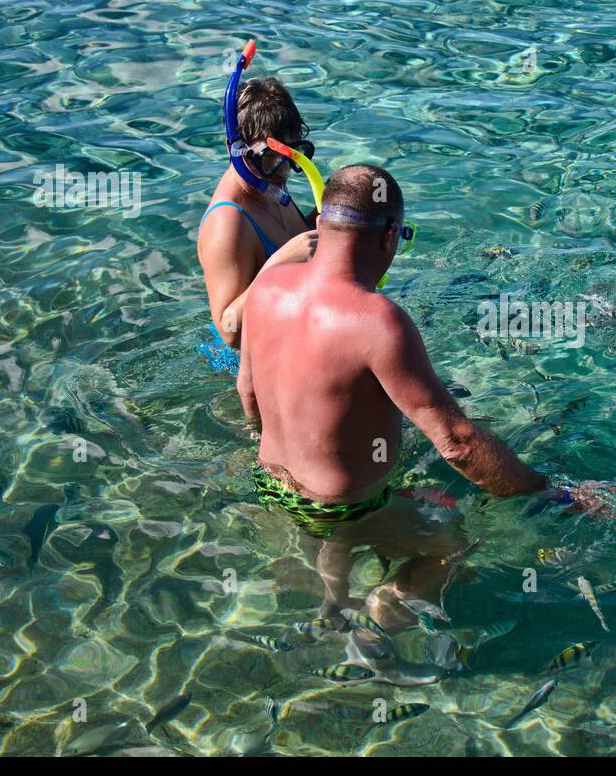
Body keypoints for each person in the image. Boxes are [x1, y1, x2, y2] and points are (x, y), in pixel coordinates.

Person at [237, 164, 559, 633]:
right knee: (449, 542)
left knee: (383, 508)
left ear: (320, 225)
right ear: (389, 235)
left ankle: (333, 603)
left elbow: (247, 390)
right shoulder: (378, 321)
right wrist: (546, 490)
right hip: (342, 508)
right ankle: (380, 619)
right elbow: (458, 444)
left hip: (270, 484)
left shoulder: (266, 287)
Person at [197, 74, 320, 371]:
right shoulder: (228, 222)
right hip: (253, 374)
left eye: (293, 155)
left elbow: (295, 241)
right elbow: (229, 331)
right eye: (270, 156)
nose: (283, 170)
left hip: (297, 346)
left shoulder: (268, 179)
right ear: (235, 149)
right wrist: (280, 263)